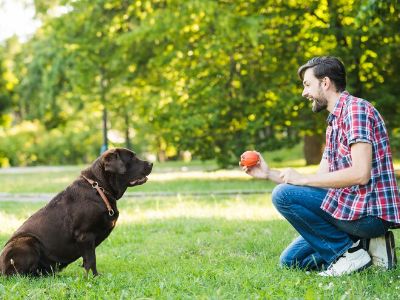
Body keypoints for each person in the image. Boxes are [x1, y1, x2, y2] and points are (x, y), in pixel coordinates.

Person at [241, 56, 400, 276]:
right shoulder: (334, 122)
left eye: (307, 85)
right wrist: (269, 173)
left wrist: (301, 179)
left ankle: (347, 254)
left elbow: (361, 174)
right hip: (347, 209)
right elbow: (320, 180)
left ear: (325, 83)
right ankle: (367, 248)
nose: (303, 93)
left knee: (283, 195)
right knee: (292, 261)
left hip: (368, 214)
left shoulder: (356, 111)